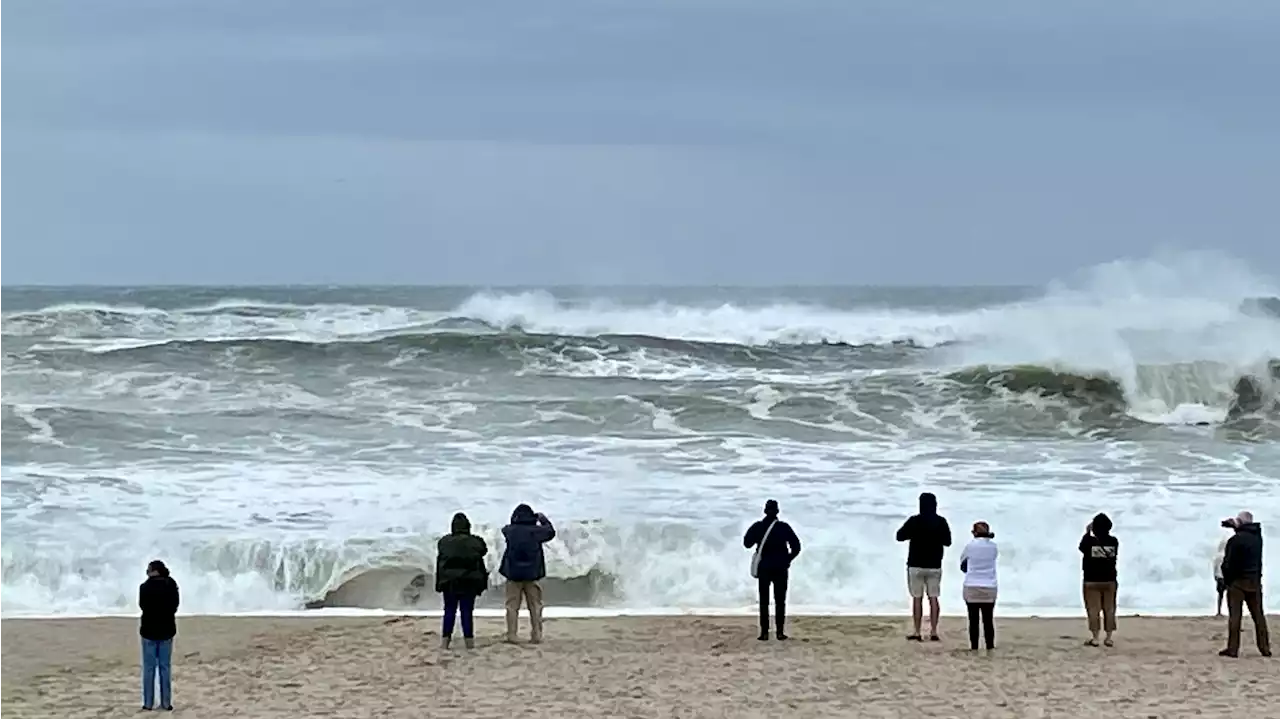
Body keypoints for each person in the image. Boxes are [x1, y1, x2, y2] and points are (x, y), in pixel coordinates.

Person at [742, 499, 802, 641]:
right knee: (780, 600)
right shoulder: (784, 527)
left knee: (764, 601)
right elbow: (797, 546)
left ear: (764, 511)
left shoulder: (758, 527)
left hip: (764, 568)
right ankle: (780, 632)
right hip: (781, 568)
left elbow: (746, 543)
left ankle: (764, 633)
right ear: (777, 512)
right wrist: (788, 559)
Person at [895, 492, 951, 641]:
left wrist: (914, 534)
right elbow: (948, 541)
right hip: (934, 564)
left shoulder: (914, 521)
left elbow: (899, 536)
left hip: (916, 564)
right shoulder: (941, 522)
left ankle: (917, 631)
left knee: (917, 598)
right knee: (933, 597)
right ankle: (933, 631)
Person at [499, 503, 556, 643]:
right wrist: (543, 519)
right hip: (532, 573)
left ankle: (512, 634)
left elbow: (504, 528)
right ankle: (536, 634)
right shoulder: (536, 532)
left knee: (512, 606)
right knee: (535, 605)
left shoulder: (510, 531)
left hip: (513, 574)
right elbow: (551, 532)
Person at [1219, 511, 1271, 658]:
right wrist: (1237, 526)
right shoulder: (1258, 538)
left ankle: (1233, 649)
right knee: (1258, 616)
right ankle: (1264, 648)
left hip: (1238, 583)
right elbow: (1248, 533)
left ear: (1240, 523)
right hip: (1254, 581)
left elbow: (1229, 564)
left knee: (1235, 617)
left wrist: (1228, 580)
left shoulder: (1235, 540)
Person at [436, 511, 489, 650]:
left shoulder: (444, 542)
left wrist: (439, 583)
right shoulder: (475, 542)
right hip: (469, 582)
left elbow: (440, 562)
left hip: (449, 582)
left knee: (449, 611)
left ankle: (445, 642)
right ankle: (469, 642)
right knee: (467, 612)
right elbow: (483, 550)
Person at [139, 560, 180, 711]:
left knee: (149, 668)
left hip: (148, 630)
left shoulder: (144, 587)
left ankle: (148, 703)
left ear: (153, 571)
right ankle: (166, 703)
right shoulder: (171, 585)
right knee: (165, 667)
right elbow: (175, 605)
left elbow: (142, 606)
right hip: (167, 630)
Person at [1079, 512, 1119, 647]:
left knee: (1093, 609)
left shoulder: (1089, 542)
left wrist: (1087, 532)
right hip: (1109, 580)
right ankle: (1108, 638)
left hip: (1091, 580)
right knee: (1109, 609)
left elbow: (1081, 547)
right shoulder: (1114, 542)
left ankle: (1095, 638)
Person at [959, 521, 998, 651]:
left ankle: (974, 646)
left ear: (974, 533)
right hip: (990, 586)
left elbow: (963, 565)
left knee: (973, 619)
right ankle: (989, 645)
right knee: (988, 619)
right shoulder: (993, 547)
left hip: (972, 585)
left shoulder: (969, 546)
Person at [1214, 522, 1232, 617]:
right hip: (1227, 577)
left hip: (1220, 577)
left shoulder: (1217, 556)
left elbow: (1215, 568)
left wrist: (1215, 576)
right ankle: (1230, 611)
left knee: (1220, 595)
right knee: (1230, 596)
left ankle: (1219, 611)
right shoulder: (1228, 555)